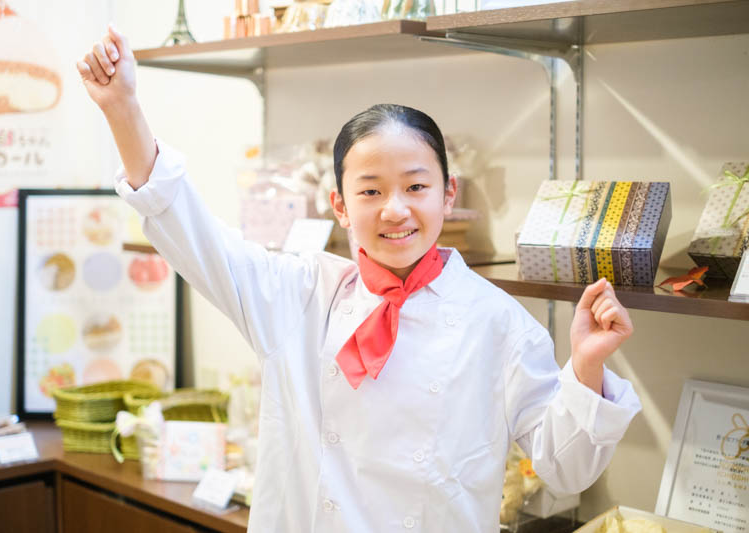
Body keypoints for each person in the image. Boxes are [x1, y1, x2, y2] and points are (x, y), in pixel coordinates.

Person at [78, 25, 641, 533]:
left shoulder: (498, 322)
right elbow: (189, 230)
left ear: (448, 195)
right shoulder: (296, 295)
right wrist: (122, 107)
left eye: (416, 187)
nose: (394, 210)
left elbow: (563, 469)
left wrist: (587, 366)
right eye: (370, 191)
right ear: (340, 207)